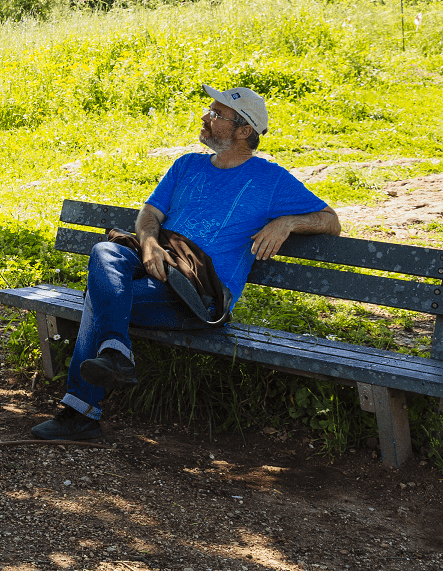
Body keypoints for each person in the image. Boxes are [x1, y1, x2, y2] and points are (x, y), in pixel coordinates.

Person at [30, 85, 340, 441]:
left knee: (99, 298)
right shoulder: (186, 165)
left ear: (243, 131)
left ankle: (82, 411)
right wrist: (148, 243)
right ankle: (115, 353)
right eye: (210, 110)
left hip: (196, 297)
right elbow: (150, 212)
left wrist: (286, 222)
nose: (206, 117)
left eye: (217, 114)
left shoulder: (270, 180)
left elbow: (330, 220)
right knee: (105, 252)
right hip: (157, 267)